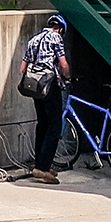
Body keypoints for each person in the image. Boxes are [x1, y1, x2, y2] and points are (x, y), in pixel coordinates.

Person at [21, 14, 71, 185]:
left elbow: (23, 68)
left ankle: (40, 164)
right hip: (50, 85)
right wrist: (67, 77)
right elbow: (63, 64)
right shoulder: (56, 38)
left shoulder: (33, 39)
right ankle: (42, 168)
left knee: (42, 123)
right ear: (61, 29)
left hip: (35, 87)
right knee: (54, 126)